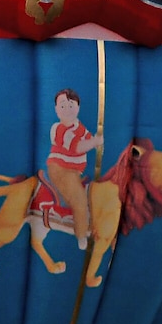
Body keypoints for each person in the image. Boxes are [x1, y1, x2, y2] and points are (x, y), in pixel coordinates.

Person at [47, 89, 101, 250]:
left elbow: (88, 139)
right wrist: (94, 143)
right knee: (80, 201)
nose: (67, 109)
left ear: (78, 107)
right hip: (61, 169)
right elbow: (77, 147)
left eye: (71, 105)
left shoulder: (80, 127)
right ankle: (81, 234)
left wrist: (97, 142)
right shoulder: (58, 129)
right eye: (62, 106)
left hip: (76, 171)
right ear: (56, 109)